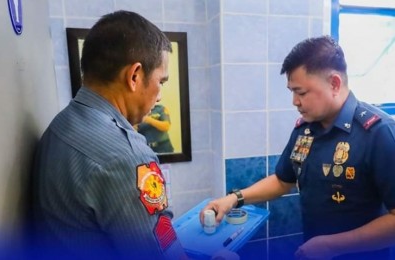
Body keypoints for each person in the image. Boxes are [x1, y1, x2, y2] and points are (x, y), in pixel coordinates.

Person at [200, 36, 395, 260]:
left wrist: (333, 246)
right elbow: (284, 179)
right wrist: (234, 198)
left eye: (301, 93)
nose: (294, 101)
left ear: (334, 83)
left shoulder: (379, 133)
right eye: (292, 91)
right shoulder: (306, 129)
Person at [31, 10, 186, 260]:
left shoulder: (59, 126)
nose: (159, 96)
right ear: (134, 76)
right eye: (161, 82)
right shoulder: (127, 155)